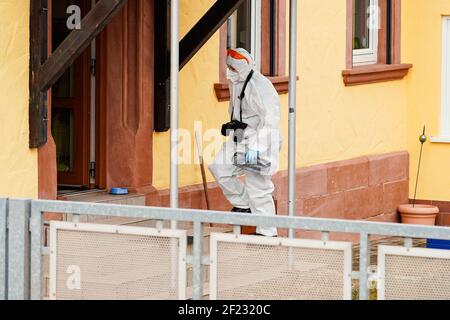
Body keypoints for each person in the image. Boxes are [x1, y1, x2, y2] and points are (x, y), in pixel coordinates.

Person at [209, 48, 282, 237]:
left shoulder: (260, 86)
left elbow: (271, 120)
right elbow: (242, 113)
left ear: (241, 67)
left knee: (258, 186)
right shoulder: (237, 82)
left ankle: (267, 232)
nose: (228, 70)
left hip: (261, 140)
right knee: (219, 167)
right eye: (227, 66)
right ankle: (244, 205)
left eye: (232, 67)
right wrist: (231, 125)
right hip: (241, 137)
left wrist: (257, 148)